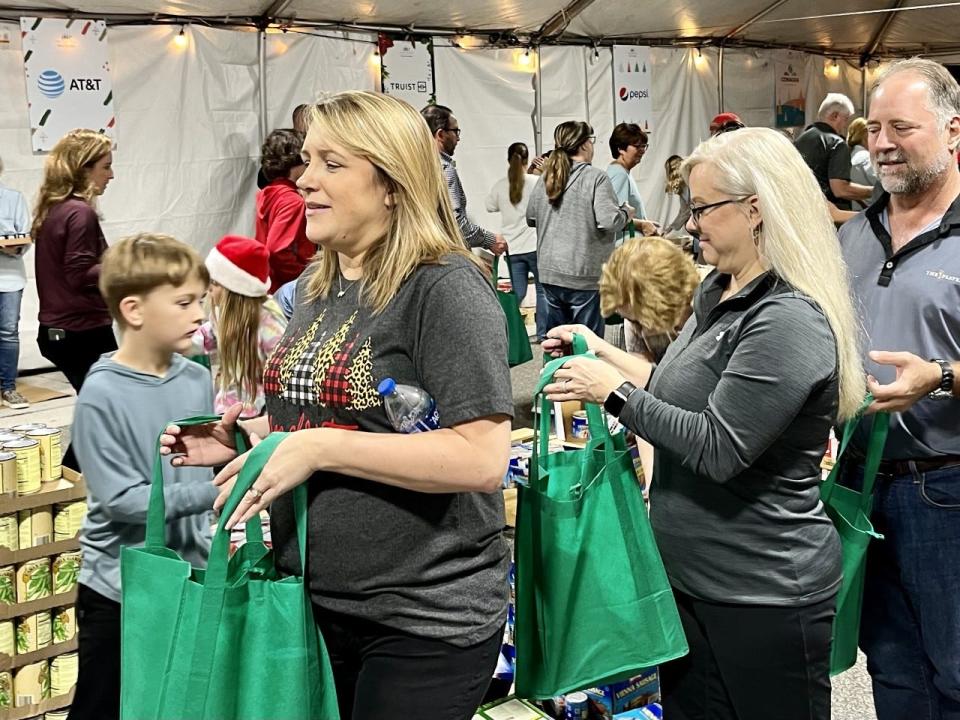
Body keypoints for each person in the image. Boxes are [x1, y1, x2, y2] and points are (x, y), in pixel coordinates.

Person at [161, 92, 514, 720]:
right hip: (318, 602)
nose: (305, 180)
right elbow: (335, 420)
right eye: (305, 160)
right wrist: (257, 439)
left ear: (391, 183)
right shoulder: (324, 285)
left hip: (421, 621)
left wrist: (316, 447)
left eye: (331, 163)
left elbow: (481, 458)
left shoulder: (445, 287)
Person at [542, 127, 865, 720]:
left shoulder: (786, 318)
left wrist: (609, 392)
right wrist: (600, 350)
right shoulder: (718, 290)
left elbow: (718, 446)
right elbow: (672, 393)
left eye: (702, 209)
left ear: (756, 208)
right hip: (693, 580)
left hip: (761, 593)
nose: (691, 224)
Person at [837, 57, 960, 720]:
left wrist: (941, 377)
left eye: (901, 128)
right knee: (891, 666)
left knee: (957, 670)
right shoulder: (853, 236)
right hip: (861, 483)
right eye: (873, 127)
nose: (880, 142)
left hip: (945, 488)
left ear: (953, 132)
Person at [68, 234, 218, 720]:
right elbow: (123, 502)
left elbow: (198, 462)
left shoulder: (197, 376)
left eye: (200, 300)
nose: (199, 314)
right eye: (183, 302)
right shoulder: (100, 395)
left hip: (189, 578)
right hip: (120, 590)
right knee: (105, 705)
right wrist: (214, 491)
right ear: (133, 310)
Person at [598, 235, 701, 485]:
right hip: (669, 414)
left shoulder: (709, 305)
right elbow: (642, 398)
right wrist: (654, 486)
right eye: (631, 320)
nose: (638, 328)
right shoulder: (634, 311)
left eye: (639, 320)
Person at [526, 121, 634, 337]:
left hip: (550, 274)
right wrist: (625, 213)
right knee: (587, 346)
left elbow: (531, 217)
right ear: (585, 144)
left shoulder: (547, 177)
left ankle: (555, 372)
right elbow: (609, 221)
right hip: (583, 276)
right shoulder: (595, 177)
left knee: (557, 344)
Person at [33, 130, 119, 396]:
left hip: (64, 330)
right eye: (106, 167)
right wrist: (130, 265)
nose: (111, 175)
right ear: (83, 169)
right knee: (109, 410)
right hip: (80, 331)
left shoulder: (56, 208)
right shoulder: (79, 212)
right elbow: (80, 273)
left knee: (103, 410)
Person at [192, 235, 287, 418]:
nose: (208, 289)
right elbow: (207, 336)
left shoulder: (267, 321)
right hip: (226, 406)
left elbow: (282, 366)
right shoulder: (220, 313)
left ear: (235, 289)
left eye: (215, 283)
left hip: (258, 412)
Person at [421, 104, 507, 255]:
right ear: (440, 134)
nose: (458, 138)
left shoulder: (416, 166)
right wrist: (490, 240)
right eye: (455, 131)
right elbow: (456, 223)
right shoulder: (444, 169)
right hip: (446, 256)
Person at [485, 142, 546, 340]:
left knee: (516, 294)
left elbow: (489, 206)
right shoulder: (536, 182)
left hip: (513, 248)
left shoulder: (501, 185)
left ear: (508, 160)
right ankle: (542, 334)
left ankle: (511, 335)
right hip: (535, 245)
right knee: (542, 292)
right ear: (527, 160)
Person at [255, 128, 313, 291]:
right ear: (296, 162)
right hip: (284, 285)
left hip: (267, 281)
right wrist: (302, 276)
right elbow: (277, 250)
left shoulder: (267, 193)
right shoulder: (291, 201)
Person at [795, 93, 874, 210]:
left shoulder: (801, 139)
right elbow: (840, 190)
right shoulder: (836, 144)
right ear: (835, 116)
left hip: (802, 209)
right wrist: (876, 191)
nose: (845, 125)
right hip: (828, 215)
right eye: (845, 119)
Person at [0, 156, 31, 409]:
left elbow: (24, 236)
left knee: (8, 333)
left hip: (10, 277)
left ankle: (8, 387)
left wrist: (11, 245)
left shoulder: (13, 198)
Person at [606, 123, 658, 245]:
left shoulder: (622, 172)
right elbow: (615, 219)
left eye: (644, 146)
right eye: (637, 146)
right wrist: (643, 225)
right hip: (625, 247)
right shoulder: (620, 175)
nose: (642, 150)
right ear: (621, 149)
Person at [846, 117, 878, 210]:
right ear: (865, 136)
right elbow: (882, 183)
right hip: (871, 210)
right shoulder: (865, 157)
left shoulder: (851, 156)